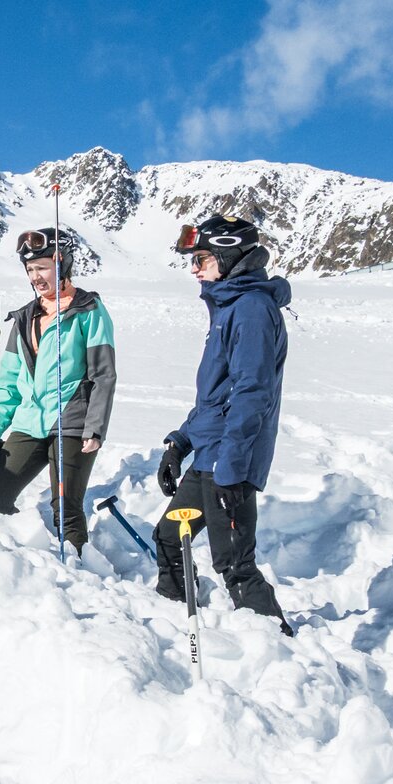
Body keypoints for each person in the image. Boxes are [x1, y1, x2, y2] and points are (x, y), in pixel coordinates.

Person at [154, 215, 293, 636]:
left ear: (230, 256)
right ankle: (180, 624)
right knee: (168, 538)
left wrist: (231, 470)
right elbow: (216, 397)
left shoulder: (251, 310)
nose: (194, 269)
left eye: (201, 259)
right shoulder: (229, 307)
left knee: (233, 563)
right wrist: (180, 442)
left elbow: (252, 394)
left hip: (230, 461)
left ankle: (282, 653)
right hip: (211, 454)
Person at [0, 227, 116, 555]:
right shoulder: (23, 319)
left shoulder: (88, 311)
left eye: (42, 267)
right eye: (30, 269)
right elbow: (8, 383)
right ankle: (27, 561)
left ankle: (80, 573)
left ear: (62, 264)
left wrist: (94, 426)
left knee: (66, 508)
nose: (35, 276)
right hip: (30, 421)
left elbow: (103, 375)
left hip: (72, 421)